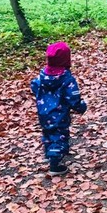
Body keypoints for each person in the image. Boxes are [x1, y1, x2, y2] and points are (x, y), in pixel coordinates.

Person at [31, 41, 87, 175]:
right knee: (60, 134)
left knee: (48, 132)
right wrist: (81, 106)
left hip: (43, 112)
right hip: (60, 113)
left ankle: (50, 152)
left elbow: (34, 85)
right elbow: (73, 97)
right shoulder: (66, 79)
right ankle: (55, 164)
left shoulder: (42, 76)